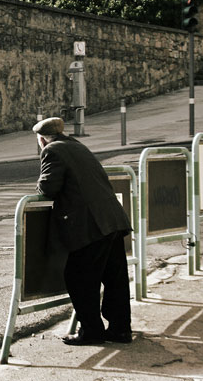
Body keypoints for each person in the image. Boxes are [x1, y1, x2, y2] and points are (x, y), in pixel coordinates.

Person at [33, 117, 133, 346]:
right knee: (114, 278)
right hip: (113, 219)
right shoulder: (78, 145)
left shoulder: (52, 151)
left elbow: (48, 187)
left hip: (91, 224)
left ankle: (91, 330)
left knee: (79, 278)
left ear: (41, 139)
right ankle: (120, 329)